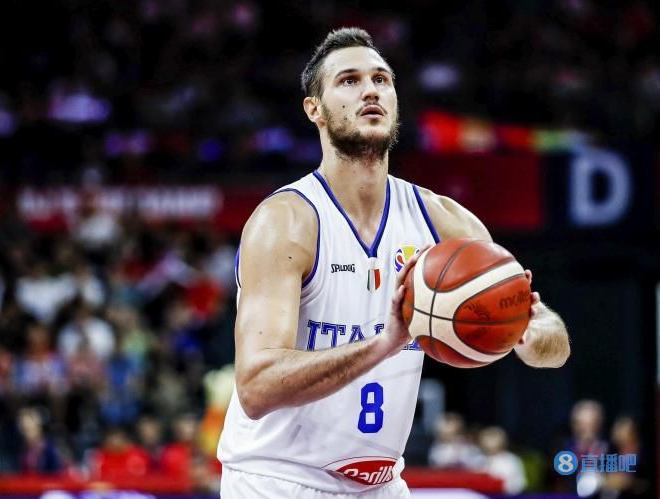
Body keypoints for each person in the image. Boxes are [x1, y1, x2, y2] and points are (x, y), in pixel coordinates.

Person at [217, 27, 571, 498]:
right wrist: (383, 343)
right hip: (278, 480)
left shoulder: (442, 219)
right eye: (348, 80)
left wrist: (524, 326)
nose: (370, 90)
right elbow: (257, 388)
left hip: (383, 485)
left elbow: (553, 346)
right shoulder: (286, 222)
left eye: (381, 79)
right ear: (314, 110)